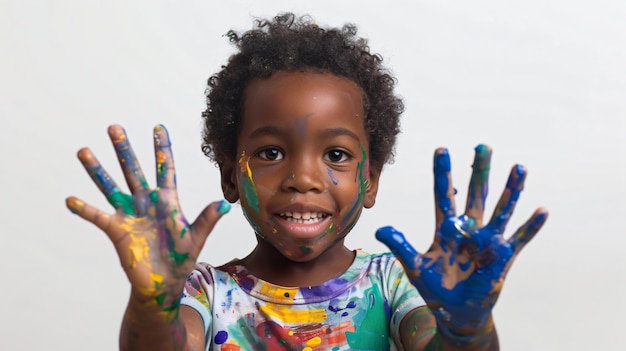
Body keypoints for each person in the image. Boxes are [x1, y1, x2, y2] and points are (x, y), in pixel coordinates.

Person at [66, 13, 548, 351]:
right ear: (231, 177)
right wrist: (153, 304)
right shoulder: (204, 292)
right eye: (271, 153)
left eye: (336, 155)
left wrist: (467, 331)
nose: (302, 178)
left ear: (371, 181)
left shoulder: (394, 283)